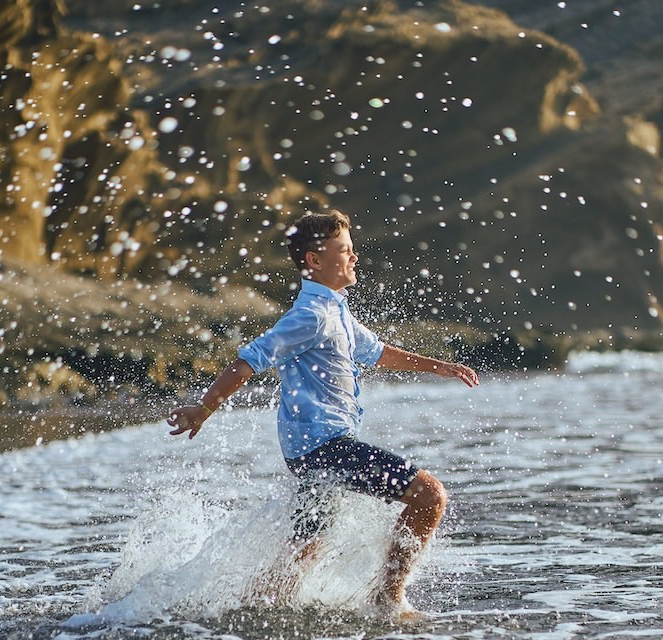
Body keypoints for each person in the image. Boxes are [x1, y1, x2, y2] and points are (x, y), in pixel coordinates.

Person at [168, 210, 479, 615]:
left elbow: (378, 352)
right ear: (314, 261)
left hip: (312, 452)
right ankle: (388, 599)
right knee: (429, 496)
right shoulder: (310, 316)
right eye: (344, 251)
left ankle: (252, 606)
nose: (354, 258)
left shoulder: (336, 313)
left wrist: (440, 366)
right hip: (323, 449)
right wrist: (203, 409)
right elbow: (248, 361)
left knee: (307, 549)